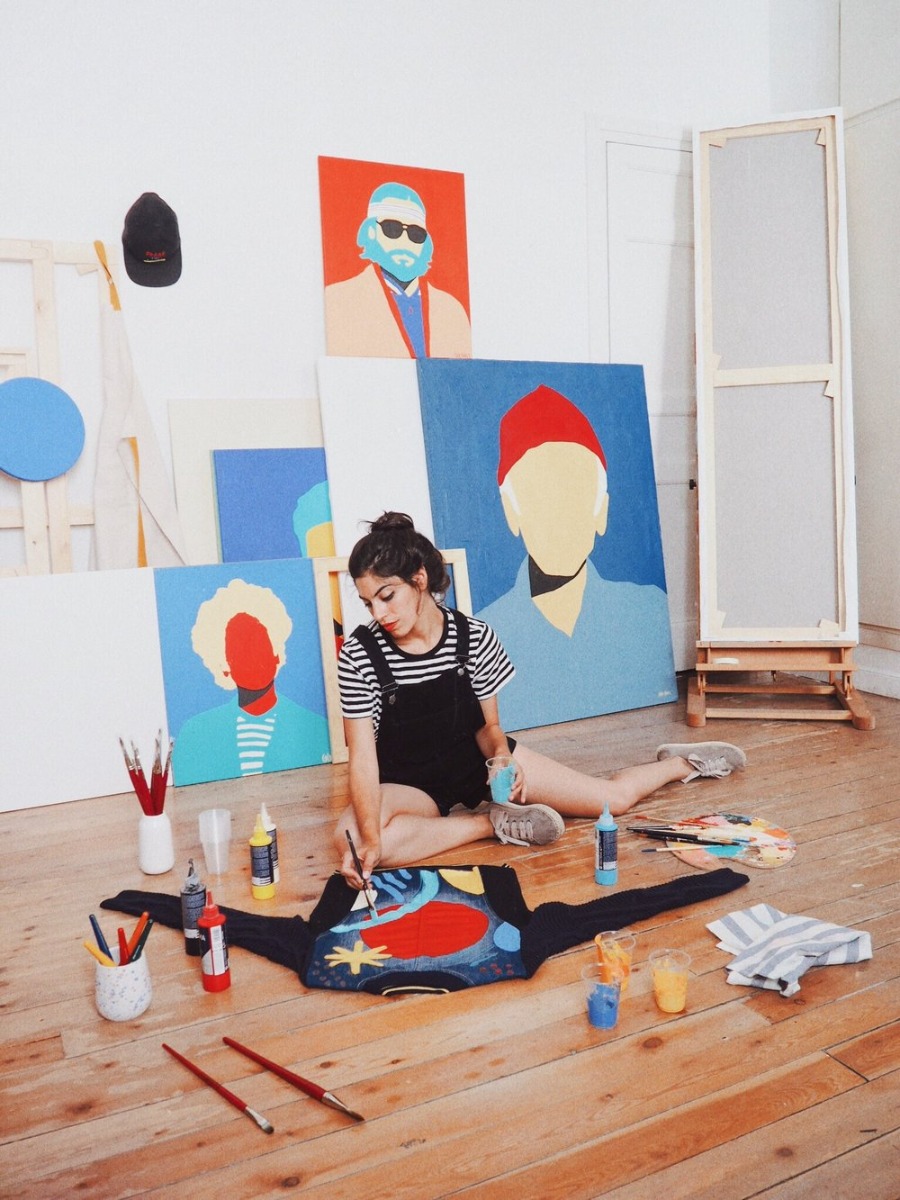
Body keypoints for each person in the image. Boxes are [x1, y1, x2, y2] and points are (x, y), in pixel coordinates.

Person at [334, 512, 746, 889]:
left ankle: (681, 763)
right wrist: (370, 842)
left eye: (387, 596)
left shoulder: (474, 636)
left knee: (614, 801)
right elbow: (363, 759)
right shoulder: (358, 656)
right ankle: (490, 824)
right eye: (368, 602)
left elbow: (488, 727)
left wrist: (503, 759)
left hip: (479, 764)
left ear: (419, 579)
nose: (379, 613)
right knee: (353, 839)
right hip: (408, 782)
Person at [478, 383, 677, 730]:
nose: (560, 514)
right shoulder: (488, 634)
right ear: (511, 511)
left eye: (575, 490)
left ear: (602, 511)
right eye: (540, 492)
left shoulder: (648, 612)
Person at [172, 578, 330, 785]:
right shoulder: (195, 734)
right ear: (225, 666)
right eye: (240, 651)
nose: (253, 659)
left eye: (259, 645)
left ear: (276, 655)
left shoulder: (316, 728)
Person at [324, 182, 471, 358]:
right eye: (392, 229)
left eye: (415, 234)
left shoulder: (452, 310)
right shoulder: (338, 300)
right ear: (371, 231)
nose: (404, 241)